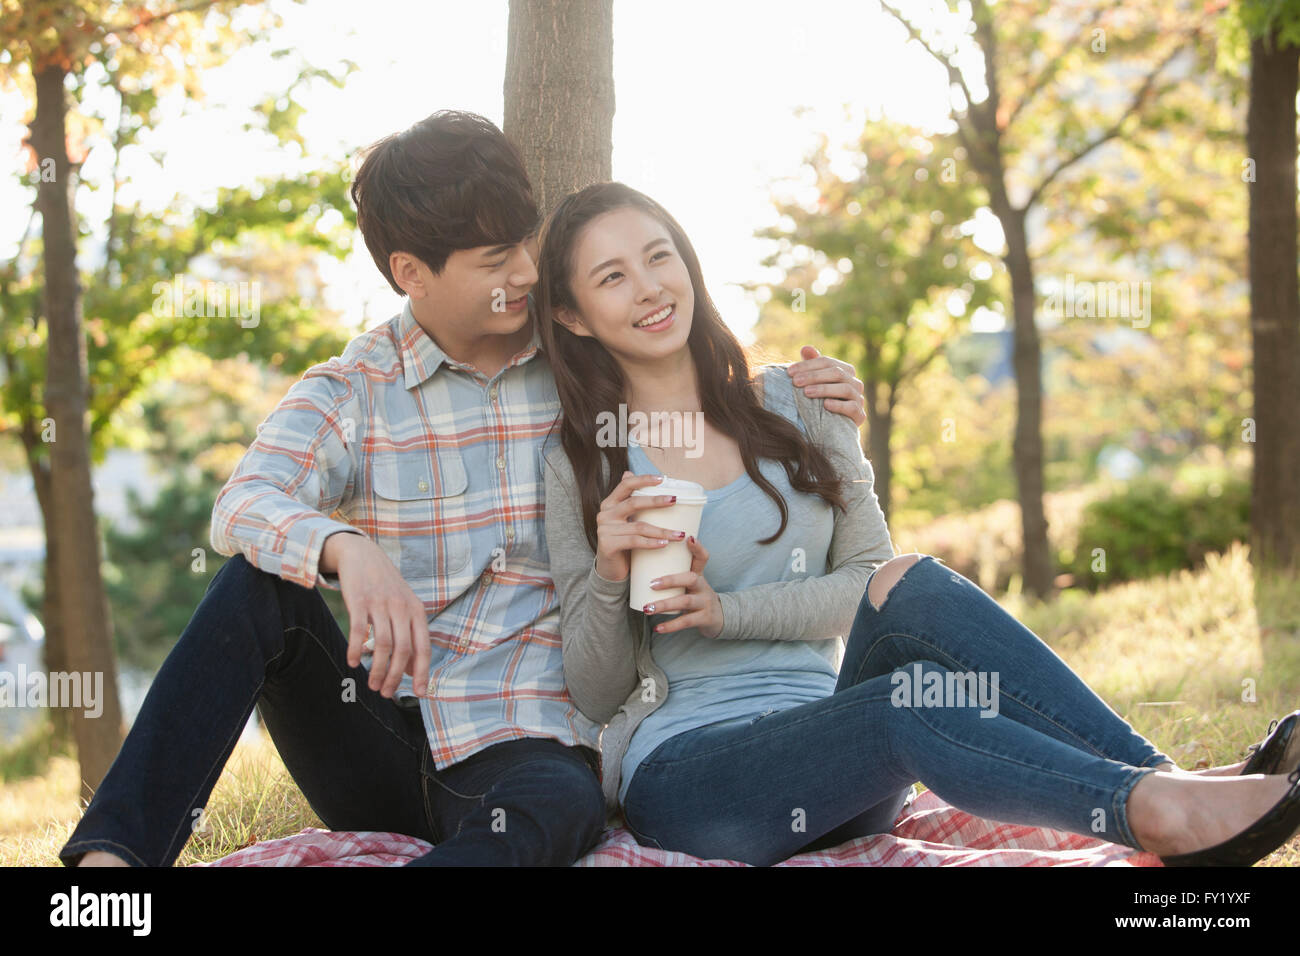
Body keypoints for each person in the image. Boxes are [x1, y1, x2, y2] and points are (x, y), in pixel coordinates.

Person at [59, 111, 867, 868]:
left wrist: (806, 390)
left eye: (524, 244)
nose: (523, 272)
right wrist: (346, 547)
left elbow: (691, 373)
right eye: (493, 262)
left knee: (561, 805)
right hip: (375, 727)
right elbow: (242, 506)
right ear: (411, 273)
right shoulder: (355, 389)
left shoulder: (578, 368)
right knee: (252, 587)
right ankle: (111, 867)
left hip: (524, 745)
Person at [535, 179, 1300, 867]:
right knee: (908, 700)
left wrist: (728, 610)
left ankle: (1164, 780)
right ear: (572, 315)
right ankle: (1159, 811)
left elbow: (868, 583)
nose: (648, 288)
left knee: (911, 582)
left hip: (845, 752)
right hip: (698, 779)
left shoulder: (801, 399)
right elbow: (597, 696)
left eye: (658, 256)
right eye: (612, 277)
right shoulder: (583, 461)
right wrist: (609, 571)